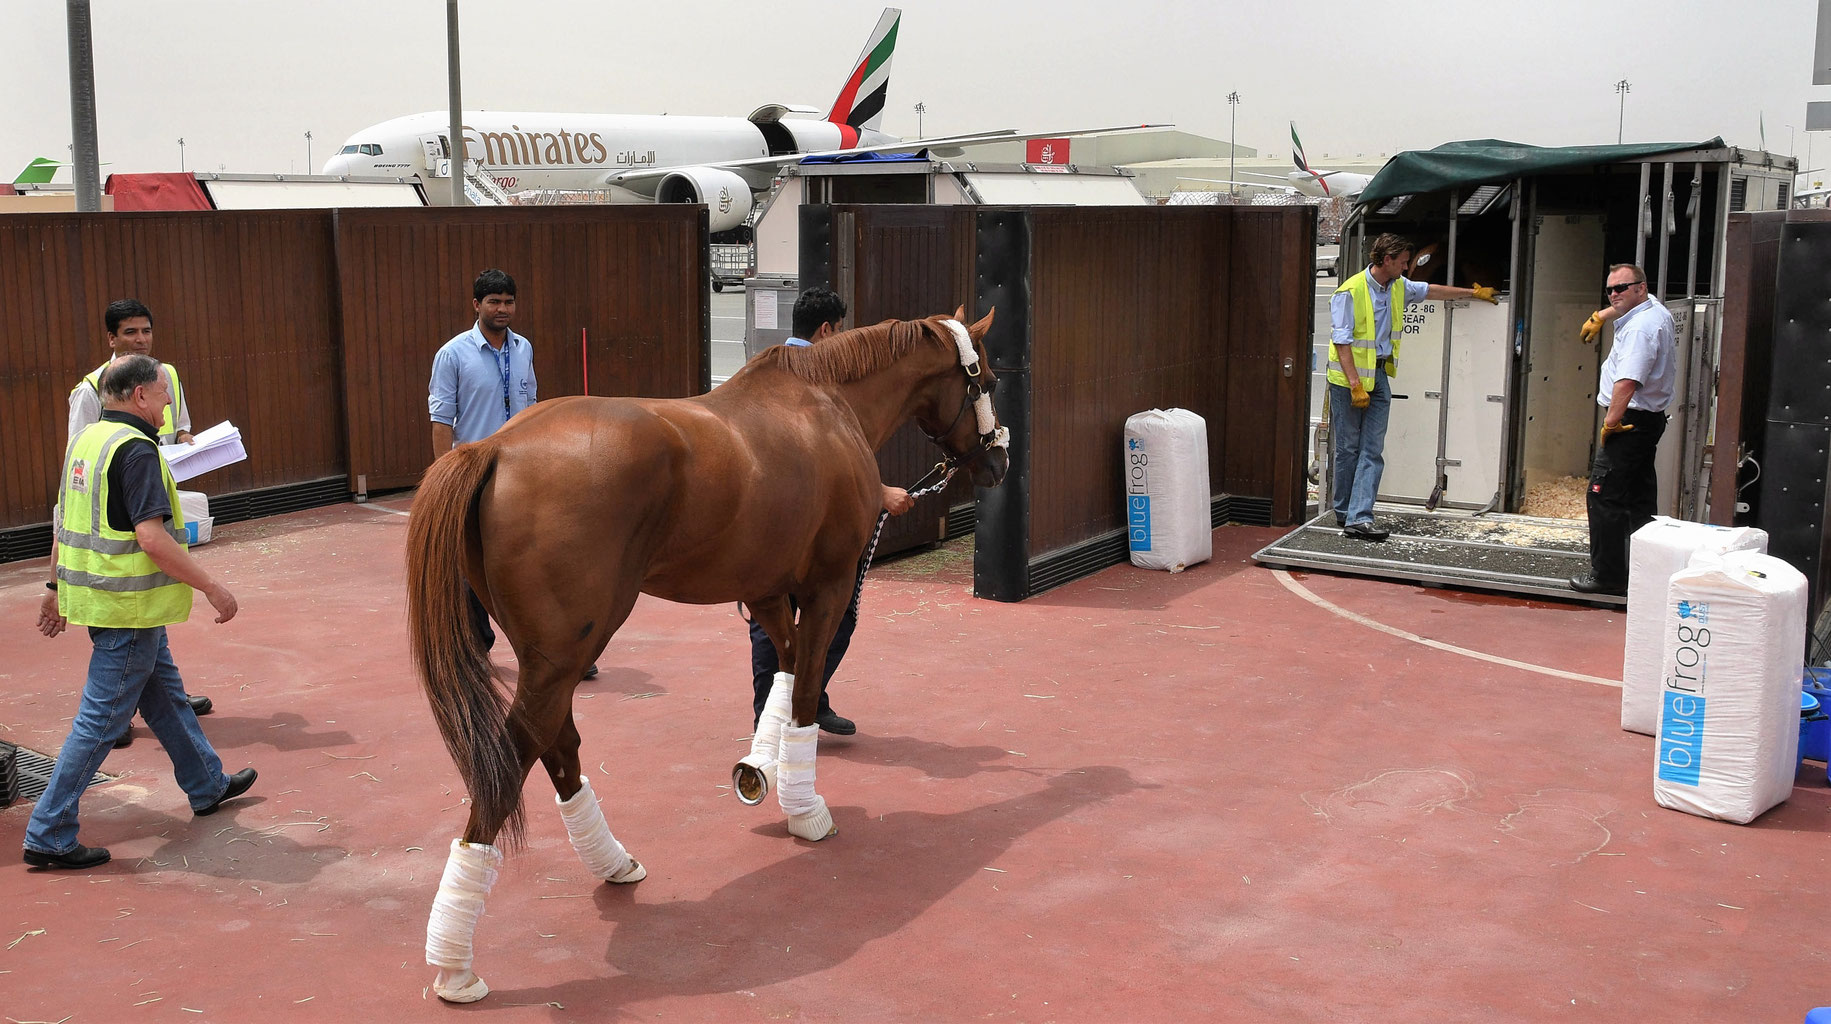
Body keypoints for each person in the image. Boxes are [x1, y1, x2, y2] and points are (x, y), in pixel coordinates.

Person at [26, 354, 256, 870]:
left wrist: (54, 585)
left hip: (107, 603)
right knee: (101, 722)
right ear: (140, 396)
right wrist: (213, 587)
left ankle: (206, 783)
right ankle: (49, 829)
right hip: (128, 606)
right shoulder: (136, 450)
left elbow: (64, 521)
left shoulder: (86, 442)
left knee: (165, 695)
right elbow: (151, 537)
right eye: (164, 395)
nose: (169, 405)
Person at [748, 288, 914, 735]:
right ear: (827, 330)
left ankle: (793, 704)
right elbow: (818, 452)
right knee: (827, 613)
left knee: (780, 619)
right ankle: (783, 713)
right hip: (800, 523)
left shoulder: (768, 366)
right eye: (839, 330)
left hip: (782, 521)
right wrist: (878, 492)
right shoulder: (816, 380)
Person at [427, 270, 596, 679]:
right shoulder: (453, 354)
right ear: (476, 306)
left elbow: (533, 406)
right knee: (473, 565)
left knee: (541, 560)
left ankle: (559, 648)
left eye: (508, 301)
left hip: (524, 473)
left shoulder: (523, 348)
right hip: (474, 471)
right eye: (494, 302)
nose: (502, 309)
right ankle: (474, 650)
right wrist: (443, 479)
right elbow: (440, 419)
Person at [65, 299, 211, 743]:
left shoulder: (164, 376)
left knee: (150, 642)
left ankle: (205, 780)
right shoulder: (91, 389)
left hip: (150, 498)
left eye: (146, 331)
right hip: (119, 534)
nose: (141, 339)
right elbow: (79, 468)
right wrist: (213, 588)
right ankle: (52, 813)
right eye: (130, 333)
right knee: (124, 653)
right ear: (112, 338)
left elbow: (179, 429)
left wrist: (188, 444)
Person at [1327, 233, 1498, 540]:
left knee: (1372, 449)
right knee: (1348, 450)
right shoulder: (1349, 291)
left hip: (1377, 377)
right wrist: (1355, 385)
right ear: (1386, 260)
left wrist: (1473, 293)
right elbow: (1342, 341)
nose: (1408, 268)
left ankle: (1359, 517)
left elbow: (1430, 290)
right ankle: (1344, 510)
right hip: (1347, 381)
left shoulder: (1397, 286)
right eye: (1403, 262)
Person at [1569, 264, 1677, 596]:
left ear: (1640, 288)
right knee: (1639, 499)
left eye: (1622, 288)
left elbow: (1628, 380)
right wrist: (1603, 314)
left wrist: (1611, 423)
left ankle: (1609, 575)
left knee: (1603, 496)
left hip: (1629, 422)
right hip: (1648, 421)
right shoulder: (1653, 309)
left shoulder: (1640, 330)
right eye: (1610, 290)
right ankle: (1647, 572)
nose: (1615, 294)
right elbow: (1627, 303)